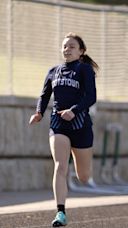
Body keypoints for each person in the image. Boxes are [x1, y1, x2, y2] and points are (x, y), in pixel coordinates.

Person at [29, 32, 98, 227]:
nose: (67, 49)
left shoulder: (84, 70)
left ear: (81, 51)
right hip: (58, 124)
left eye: (72, 46)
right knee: (60, 166)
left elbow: (91, 96)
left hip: (80, 125)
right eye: (65, 46)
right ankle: (60, 212)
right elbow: (44, 96)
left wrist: (74, 111)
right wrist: (39, 113)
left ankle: (83, 173)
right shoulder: (53, 71)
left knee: (84, 176)